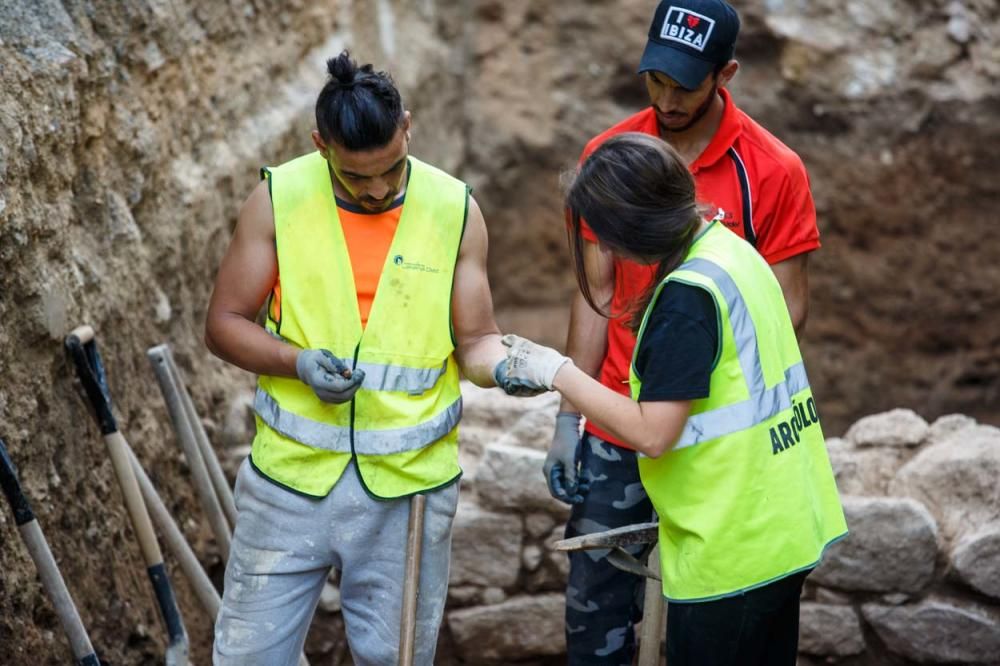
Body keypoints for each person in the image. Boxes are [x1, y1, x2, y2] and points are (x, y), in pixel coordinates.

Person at [204, 51, 537, 665]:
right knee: (248, 656)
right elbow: (223, 324)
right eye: (357, 178)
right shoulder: (278, 200)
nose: (379, 190)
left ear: (407, 127)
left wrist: (513, 367)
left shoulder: (452, 209)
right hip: (289, 482)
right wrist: (295, 362)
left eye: (391, 169)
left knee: (396, 658)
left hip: (408, 495)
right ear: (319, 144)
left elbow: (476, 343)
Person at [503, 132, 847, 666]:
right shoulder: (729, 251)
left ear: (640, 226)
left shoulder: (688, 298)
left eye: (612, 238)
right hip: (781, 521)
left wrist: (556, 372)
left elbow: (652, 433)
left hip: (733, 544)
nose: (610, 252)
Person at [548, 1, 823, 662]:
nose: (667, 100)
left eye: (686, 84)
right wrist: (569, 419)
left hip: (713, 445)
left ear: (725, 73)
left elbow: (785, 313)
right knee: (597, 624)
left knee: (712, 623)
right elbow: (597, 292)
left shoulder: (773, 171)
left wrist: (683, 373)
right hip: (620, 426)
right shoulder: (608, 160)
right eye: (656, 80)